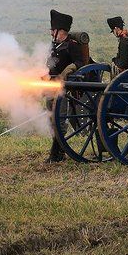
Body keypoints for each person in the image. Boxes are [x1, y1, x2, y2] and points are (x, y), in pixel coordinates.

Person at [45, 9, 85, 163]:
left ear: (60, 31)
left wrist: (68, 71)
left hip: (64, 88)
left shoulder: (72, 45)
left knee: (59, 120)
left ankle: (57, 154)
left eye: (52, 30)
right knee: (50, 119)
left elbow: (80, 63)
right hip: (51, 86)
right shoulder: (54, 45)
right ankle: (57, 151)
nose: (51, 33)